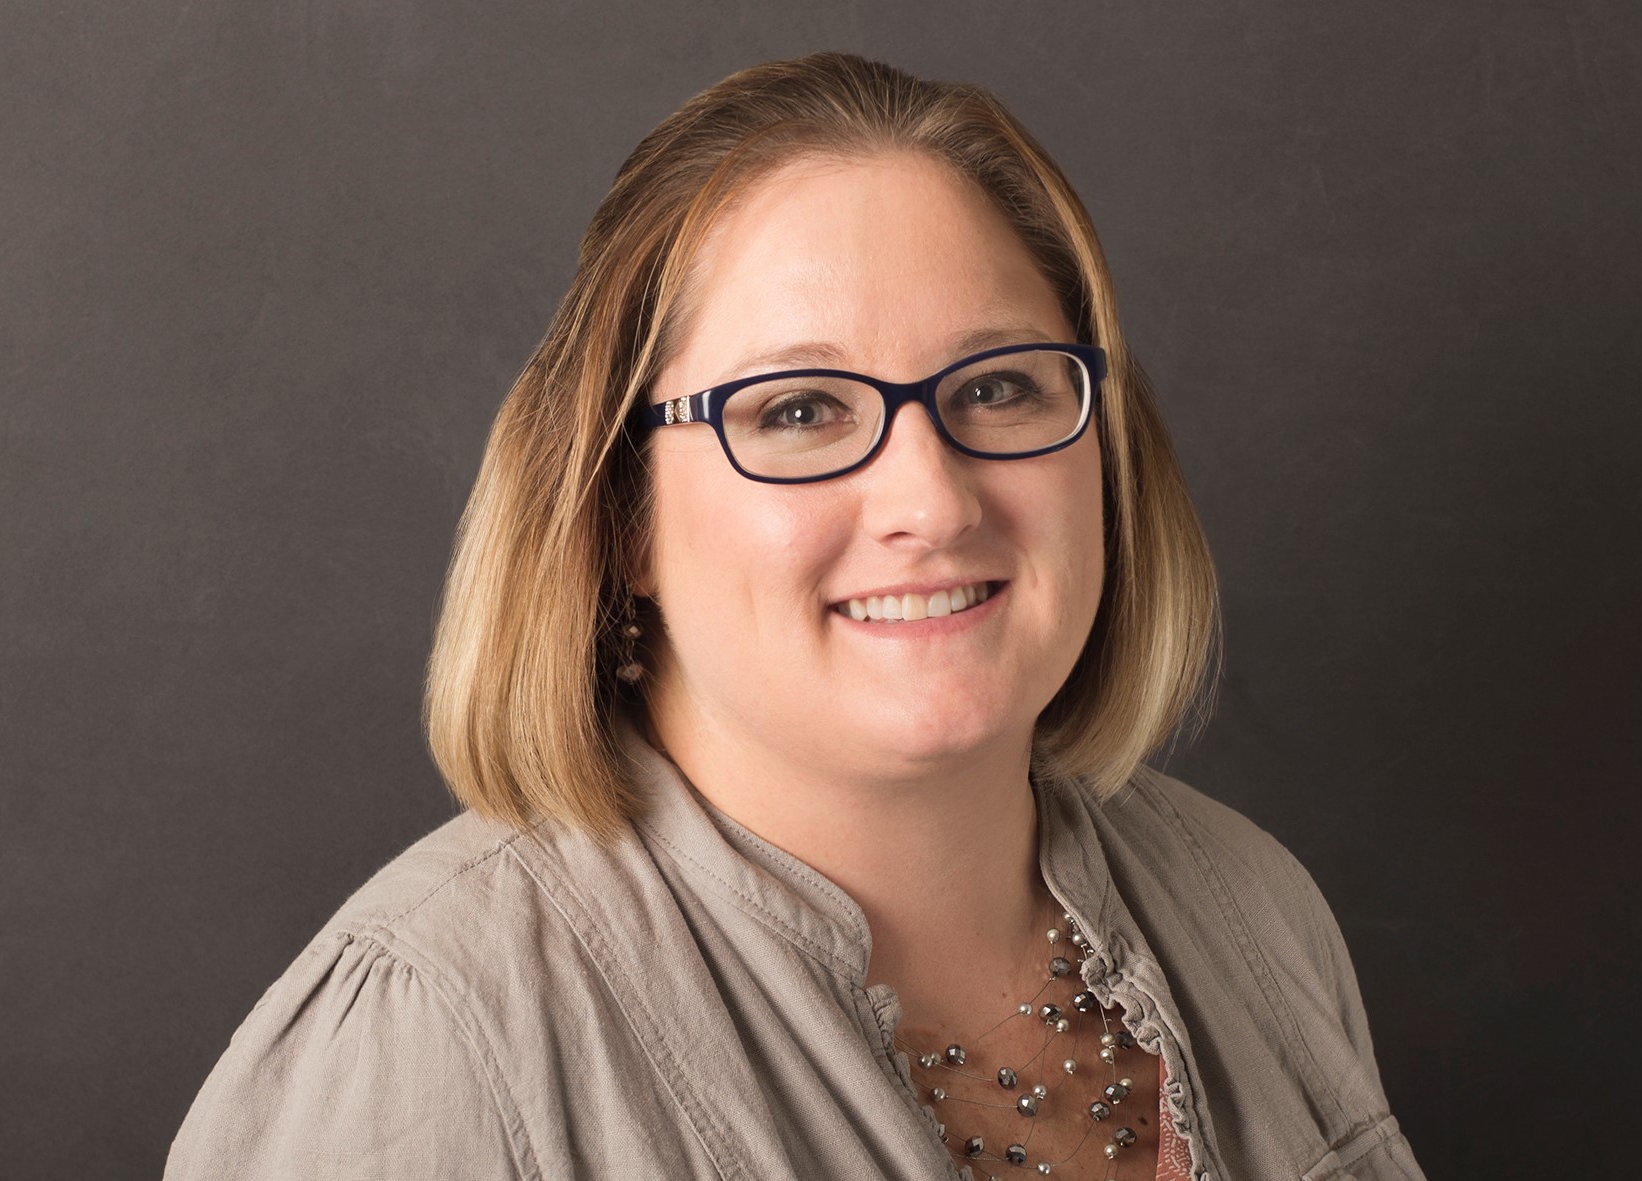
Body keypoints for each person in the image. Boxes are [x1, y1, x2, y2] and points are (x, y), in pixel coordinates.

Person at [165, 52, 1426, 1181]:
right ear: (618, 515)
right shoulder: (435, 1038)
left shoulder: (1246, 906)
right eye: (799, 410)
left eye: (995, 385)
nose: (930, 500)